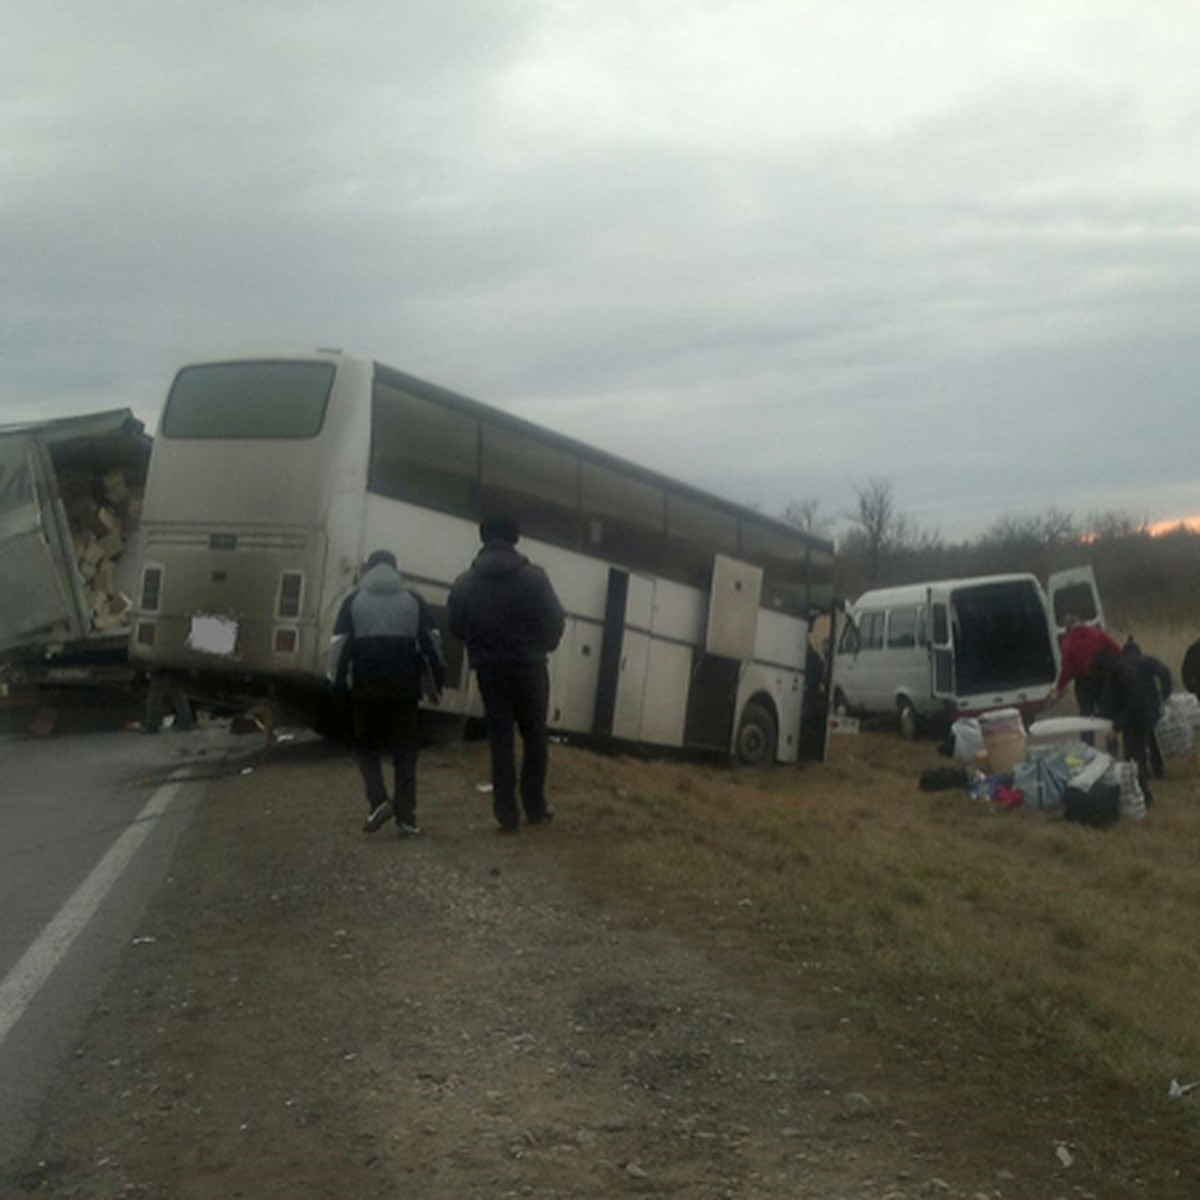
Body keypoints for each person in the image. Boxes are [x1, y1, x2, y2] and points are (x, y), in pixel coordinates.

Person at [448, 516, 565, 833]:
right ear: (516, 538)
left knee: (500, 739)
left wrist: (480, 647)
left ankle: (506, 814)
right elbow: (554, 620)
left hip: (489, 669)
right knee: (535, 737)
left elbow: (455, 626)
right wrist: (542, 646)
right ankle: (535, 806)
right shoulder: (535, 578)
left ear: (483, 538)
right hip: (529, 667)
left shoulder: (466, 581)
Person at [332, 549, 445, 836]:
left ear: (369, 569)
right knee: (405, 750)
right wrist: (437, 679)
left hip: (366, 687)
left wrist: (337, 682)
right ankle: (406, 816)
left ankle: (378, 800)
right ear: (396, 570)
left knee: (365, 746)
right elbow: (432, 642)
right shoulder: (413, 600)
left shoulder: (353, 601)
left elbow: (339, 645)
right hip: (404, 688)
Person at [1093, 647, 1172, 804]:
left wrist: (1116, 727)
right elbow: (1164, 672)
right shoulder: (1118, 673)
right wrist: (1164, 694)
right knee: (1143, 748)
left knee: (1135, 758)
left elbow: (1132, 705)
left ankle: (1143, 796)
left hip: (1139, 716)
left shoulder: (1126, 675)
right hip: (1146, 710)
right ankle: (1153, 777)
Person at [1051, 615, 1123, 738]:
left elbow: (1067, 670)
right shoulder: (1098, 634)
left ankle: (1088, 747)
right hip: (1104, 680)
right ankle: (1112, 747)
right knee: (1107, 714)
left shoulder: (1068, 643)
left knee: (1086, 717)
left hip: (1084, 683)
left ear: (1068, 628)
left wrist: (1060, 687)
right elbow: (1116, 651)